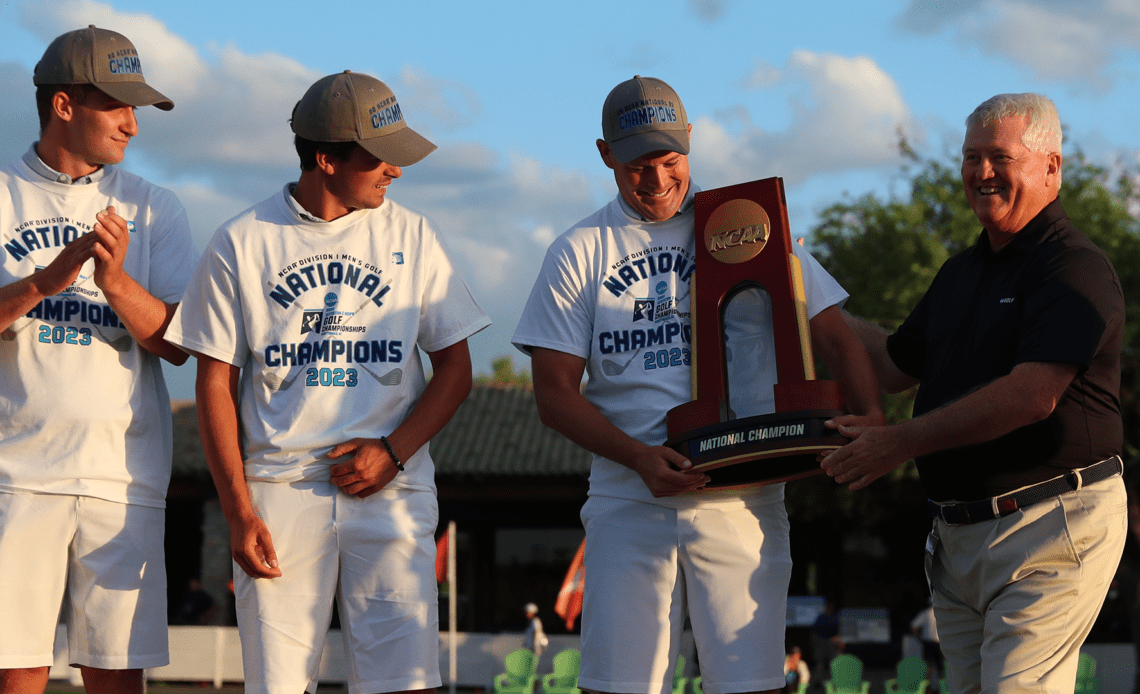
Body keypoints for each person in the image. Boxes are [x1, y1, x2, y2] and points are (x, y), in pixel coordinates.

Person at [512, 75, 882, 694]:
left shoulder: (745, 224)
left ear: (690, 143)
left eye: (669, 160)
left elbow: (834, 334)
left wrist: (872, 415)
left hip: (744, 490)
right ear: (605, 154)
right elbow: (552, 392)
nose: (656, 182)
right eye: (636, 166)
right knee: (618, 686)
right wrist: (637, 458)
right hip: (630, 497)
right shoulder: (578, 250)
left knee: (751, 684)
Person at [165, 71, 489, 694]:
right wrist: (237, 510)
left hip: (391, 488)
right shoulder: (242, 240)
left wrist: (394, 452)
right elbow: (214, 382)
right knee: (278, 684)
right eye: (381, 156)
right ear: (326, 159)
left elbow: (456, 368)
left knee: (404, 682)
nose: (396, 169)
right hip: (280, 492)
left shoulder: (413, 234)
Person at [821, 93, 1127, 693]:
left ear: (1050, 168)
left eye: (999, 157)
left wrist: (897, 443)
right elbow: (891, 365)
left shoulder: (1074, 268)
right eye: (970, 158)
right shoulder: (961, 272)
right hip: (957, 541)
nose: (981, 173)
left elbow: (1030, 396)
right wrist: (809, 296)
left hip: (1048, 526)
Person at [0, 25, 196, 694]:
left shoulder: (154, 207)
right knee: (13, 669)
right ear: (63, 105)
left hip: (123, 475)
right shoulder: (1, 194)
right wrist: (43, 283)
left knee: (115, 675)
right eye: (116, 105)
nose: (132, 125)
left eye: (136, 108)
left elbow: (178, 343)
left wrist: (115, 284)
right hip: (14, 475)